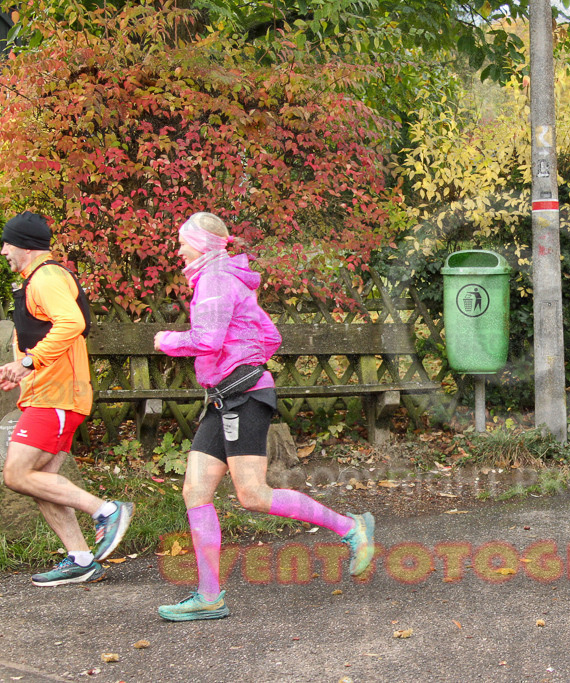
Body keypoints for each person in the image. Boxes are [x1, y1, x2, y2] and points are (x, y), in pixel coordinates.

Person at [154, 212, 375, 621]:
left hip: (242, 397)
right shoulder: (221, 278)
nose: (179, 248)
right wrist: (244, 358)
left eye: (183, 240)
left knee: (252, 494)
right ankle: (209, 596)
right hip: (225, 397)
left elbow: (206, 339)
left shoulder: (216, 281)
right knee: (195, 491)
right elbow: (269, 335)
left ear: (202, 244)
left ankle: (351, 527)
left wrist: (165, 340)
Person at [0, 211, 133, 586]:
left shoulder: (47, 277)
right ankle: (81, 559)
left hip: (56, 397)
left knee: (17, 474)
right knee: (40, 479)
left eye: (7, 243)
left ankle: (107, 510)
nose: (4, 251)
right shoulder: (37, 279)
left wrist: (29, 361)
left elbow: (71, 324)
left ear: (24, 245)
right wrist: (20, 371)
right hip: (48, 393)